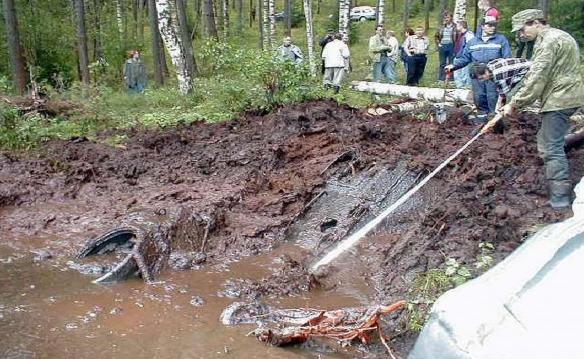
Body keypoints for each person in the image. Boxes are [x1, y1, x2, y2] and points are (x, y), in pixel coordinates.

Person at [485, 9, 584, 208]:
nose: (521, 35)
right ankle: (572, 144)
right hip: (568, 94)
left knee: (549, 147)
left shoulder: (547, 42)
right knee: (550, 139)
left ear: (535, 22)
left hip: (560, 98)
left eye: (522, 30)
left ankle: (560, 199)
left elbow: (537, 77)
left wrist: (515, 103)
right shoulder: (561, 36)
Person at [445, 17, 511, 119]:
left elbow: (507, 58)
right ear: (482, 26)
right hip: (477, 75)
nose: (492, 28)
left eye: (494, 25)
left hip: (493, 75)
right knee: (479, 97)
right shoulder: (473, 42)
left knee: (493, 97)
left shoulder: (501, 40)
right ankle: (481, 120)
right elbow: (465, 58)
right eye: (489, 25)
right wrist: (453, 66)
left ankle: (494, 121)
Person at [453, 20, 475, 89]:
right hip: (458, 56)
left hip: (464, 58)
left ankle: (466, 88)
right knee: (457, 75)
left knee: (465, 75)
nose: (456, 27)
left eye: (457, 26)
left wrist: (467, 57)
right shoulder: (460, 35)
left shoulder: (469, 35)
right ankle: (459, 89)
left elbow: (470, 47)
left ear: (461, 26)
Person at [435, 12, 456, 82]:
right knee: (442, 63)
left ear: (451, 18)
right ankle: (441, 78)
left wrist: (456, 46)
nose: (446, 19)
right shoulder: (441, 27)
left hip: (451, 46)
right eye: (445, 18)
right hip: (442, 46)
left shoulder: (455, 27)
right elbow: (436, 36)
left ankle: (451, 79)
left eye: (447, 17)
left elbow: (458, 37)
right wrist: (438, 44)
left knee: (451, 62)